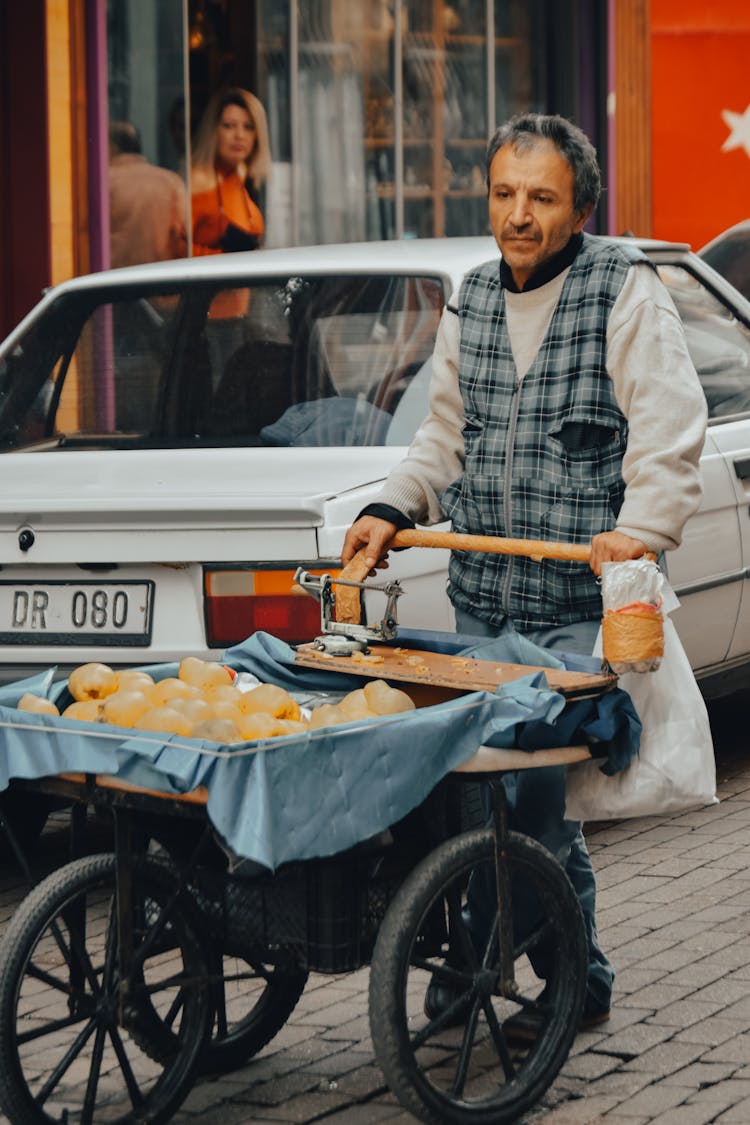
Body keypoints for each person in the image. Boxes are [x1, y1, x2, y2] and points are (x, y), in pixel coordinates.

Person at [342, 112, 708, 1032]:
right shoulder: (471, 297)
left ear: (580, 206)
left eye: (540, 197)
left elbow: (668, 434)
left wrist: (642, 529)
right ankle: (559, 972)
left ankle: (519, 966)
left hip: (577, 608)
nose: (518, 214)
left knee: (534, 800)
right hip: (485, 601)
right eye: (505, 194)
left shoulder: (623, 291)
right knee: (485, 797)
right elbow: (442, 435)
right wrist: (393, 506)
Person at [190, 87, 271, 256]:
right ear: (213, 131)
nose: (239, 135)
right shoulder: (197, 180)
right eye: (229, 126)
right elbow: (175, 249)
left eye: (248, 127)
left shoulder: (239, 177)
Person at [108, 121, 187, 268]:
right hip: (160, 281)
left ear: (111, 147)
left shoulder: (104, 183)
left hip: (113, 282)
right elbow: (182, 236)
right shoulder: (170, 181)